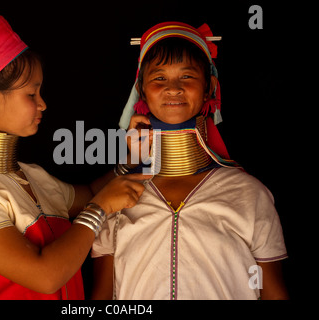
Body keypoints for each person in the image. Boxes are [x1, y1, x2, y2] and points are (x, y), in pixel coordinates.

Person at [0, 13, 147, 300]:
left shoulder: (32, 176)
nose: (42, 103)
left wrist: (129, 161)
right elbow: (45, 277)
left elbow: (90, 193)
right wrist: (100, 208)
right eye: (31, 94)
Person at [91, 21, 289, 300]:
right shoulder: (115, 198)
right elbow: (101, 297)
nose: (173, 88)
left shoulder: (249, 194)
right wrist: (129, 164)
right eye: (159, 78)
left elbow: (274, 294)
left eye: (187, 76)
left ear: (209, 87)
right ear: (141, 89)